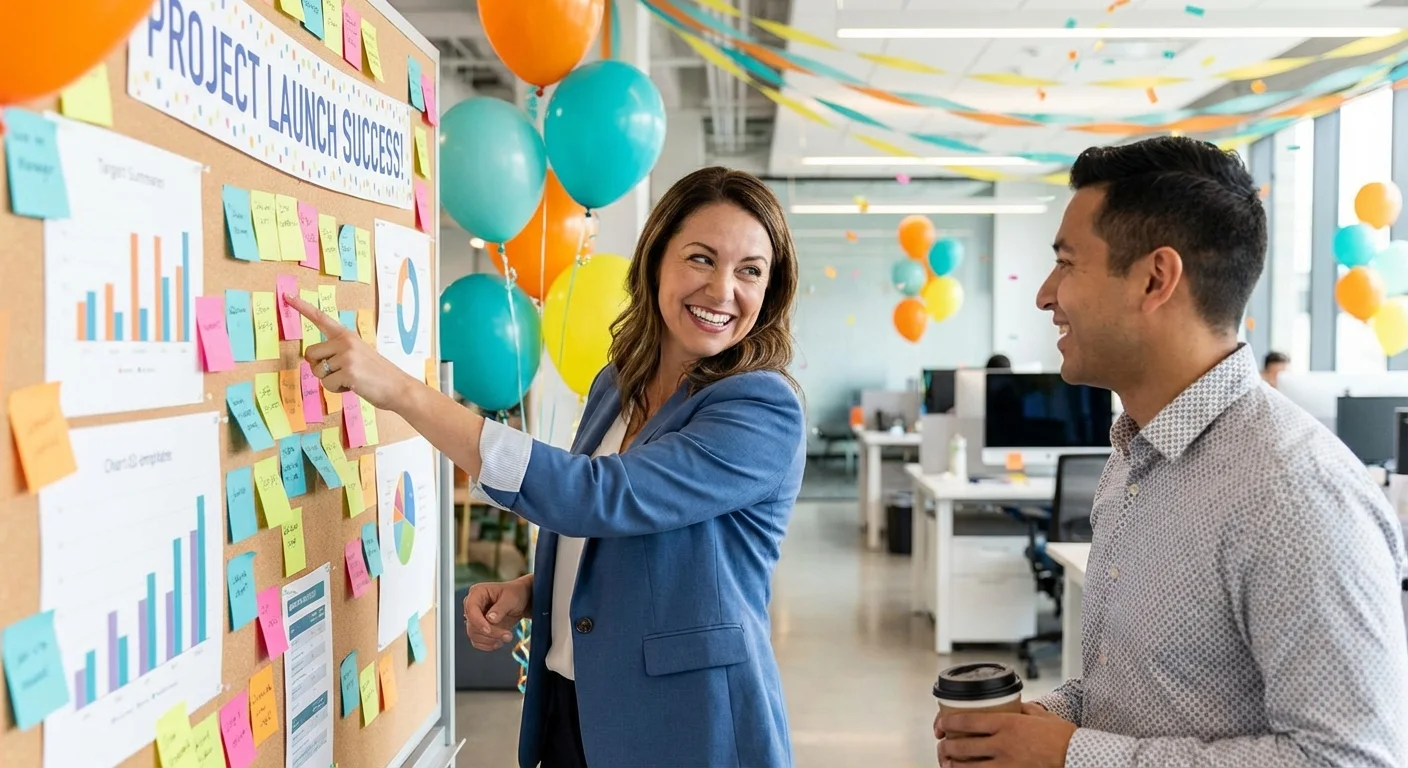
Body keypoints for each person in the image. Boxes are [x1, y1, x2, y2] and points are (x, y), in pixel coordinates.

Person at [288, 166, 805, 768]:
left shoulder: (760, 407)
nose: (722, 291)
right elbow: (627, 540)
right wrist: (538, 591)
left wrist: (403, 392)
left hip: (688, 723)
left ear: (770, 289)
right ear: (656, 259)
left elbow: (598, 498)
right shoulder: (617, 385)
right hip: (574, 704)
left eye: (750, 271)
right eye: (701, 259)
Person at [934, 136, 1408, 767]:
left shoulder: (1293, 492)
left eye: (1068, 264)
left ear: (1156, 278)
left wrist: (1077, 757)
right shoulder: (1135, 457)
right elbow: (1140, 692)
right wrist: (1044, 723)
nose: (1045, 295)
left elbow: (1349, 759)